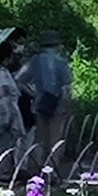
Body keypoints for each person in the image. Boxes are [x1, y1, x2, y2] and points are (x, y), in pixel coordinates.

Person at [22, 31, 74, 177]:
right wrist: (70, 106)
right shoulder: (61, 62)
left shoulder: (35, 61)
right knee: (55, 138)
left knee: (40, 137)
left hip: (39, 103)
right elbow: (67, 87)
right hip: (58, 104)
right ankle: (52, 170)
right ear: (57, 45)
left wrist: (33, 94)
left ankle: (34, 167)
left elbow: (20, 80)